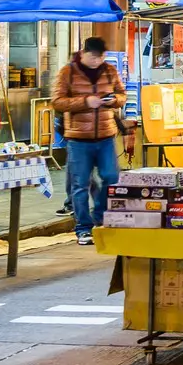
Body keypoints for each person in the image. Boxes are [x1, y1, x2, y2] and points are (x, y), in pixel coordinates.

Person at [51, 36, 127, 246]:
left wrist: (114, 101)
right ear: (83, 53)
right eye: (93, 56)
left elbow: (122, 94)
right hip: (78, 139)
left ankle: (100, 216)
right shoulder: (68, 72)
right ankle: (83, 228)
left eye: (101, 56)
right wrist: (85, 102)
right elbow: (57, 101)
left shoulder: (110, 70)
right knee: (80, 185)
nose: (97, 61)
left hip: (106, 136)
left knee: (112, 176)